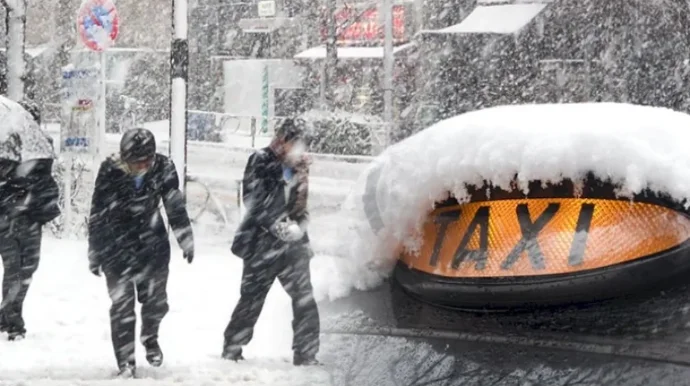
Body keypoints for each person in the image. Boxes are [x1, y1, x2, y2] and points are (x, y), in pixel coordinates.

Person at [88, 128, 194, 377]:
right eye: (133, 162)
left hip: (152, 244)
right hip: (116, 245)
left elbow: (174, 204)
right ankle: (126, 361)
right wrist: (94, 250)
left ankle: (150, 335)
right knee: (122, 306)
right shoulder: (110, 169)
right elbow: (98, 211)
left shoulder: (163, 167)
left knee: (156, 302)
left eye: (144, 161)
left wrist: (185, 238)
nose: (139, 166)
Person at [225, 118, 320, 366]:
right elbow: (253, 199)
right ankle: (232, 349)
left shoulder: (301, 167)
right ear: (283, 140)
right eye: (297, 144)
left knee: (305, 299)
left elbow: (301, 207)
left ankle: (306, 353)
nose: (301, 150)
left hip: (293, 247)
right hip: (261, 244)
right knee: (252, 298)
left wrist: (300, 227)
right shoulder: (261, 160)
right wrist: (276, 225)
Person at [0, 97, 60, 341]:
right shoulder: (8, 148)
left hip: (27, 215)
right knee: (17, 267)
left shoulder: (39, 146)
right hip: (12, 216)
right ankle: (13, 320)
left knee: (24, 268)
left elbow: (44, 182)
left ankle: (8, 314)